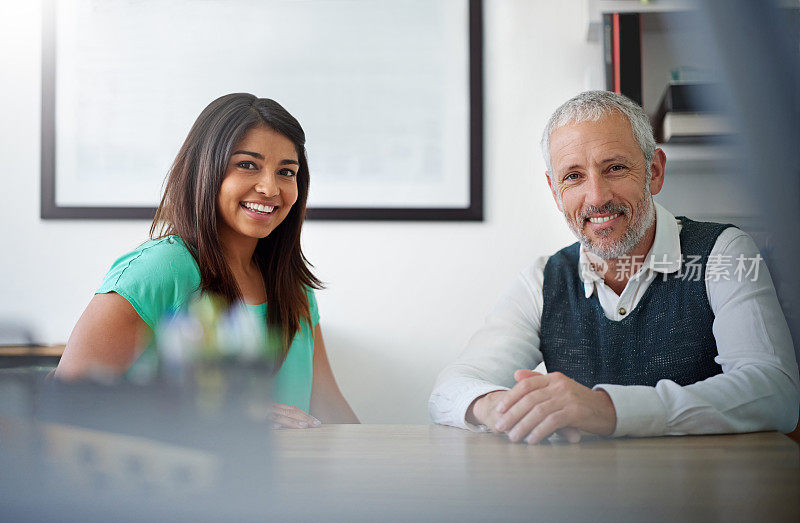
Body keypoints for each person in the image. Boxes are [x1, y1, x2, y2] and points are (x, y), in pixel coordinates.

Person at [429, 90, 799, 444]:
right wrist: (501, 407)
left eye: (615, 168)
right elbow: (451, 388)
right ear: (555, 192)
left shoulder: (725, 253)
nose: (597, 197)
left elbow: (775, 391)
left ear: (653, 171)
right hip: (592, 498)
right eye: (573, 176)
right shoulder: (544, 280)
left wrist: (608, 410)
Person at [56, 93, 359, 428]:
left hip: (285, 480)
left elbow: (332, 412)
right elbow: (62, 411)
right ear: (205, 170)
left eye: (286, 172)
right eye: (247, 165)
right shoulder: (158, 271)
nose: (271, 188)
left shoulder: (295, 287)